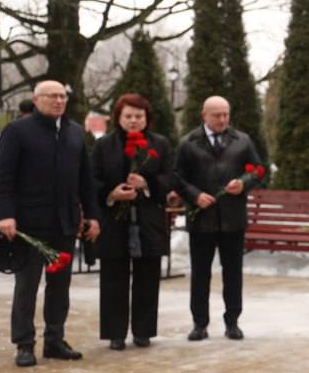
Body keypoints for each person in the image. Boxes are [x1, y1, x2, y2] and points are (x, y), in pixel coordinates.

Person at [0, 80, 101, 367]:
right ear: (36, 100)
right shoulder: (18, 131)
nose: (58, 101)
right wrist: (4, 214)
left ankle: (54, 340)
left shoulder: (75, 132)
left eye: (62, 96)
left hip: (64, 223)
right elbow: (3, 179)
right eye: (52, 96)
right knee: (27, 286)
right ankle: (24, 343)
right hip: (28, 224)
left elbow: (85, 180)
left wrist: (93, 215)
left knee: (60, 286)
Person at [91, 94, 178, 350]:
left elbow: (171, 177)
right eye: (128, 116)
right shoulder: (104, 145)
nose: (133, 121)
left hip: (147, 220)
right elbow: (91, 179)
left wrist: (147, 184)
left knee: (148, 278)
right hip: (114, 220)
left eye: (138, 116)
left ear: (146, 118)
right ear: (118, 117)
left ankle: (143, 331)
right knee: (113, 279)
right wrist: (111, 194)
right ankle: (115, 333)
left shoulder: (160, 144)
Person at [175, 95, 263, 341]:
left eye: (226, 114)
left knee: (233, 273)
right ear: (204, 115)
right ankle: (199, 323)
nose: (222, 119)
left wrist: (243, 183)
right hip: (202, 218)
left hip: (233, 218)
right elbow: (176, 176)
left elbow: (258, 170)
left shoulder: (242, 140)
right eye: (217, 115)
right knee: (200, 274)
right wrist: (194, 196)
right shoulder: (188, 143)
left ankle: (232, 322)